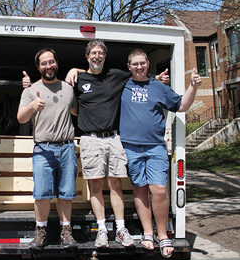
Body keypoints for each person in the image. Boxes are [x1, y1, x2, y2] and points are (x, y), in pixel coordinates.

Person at [64, 40, 169, 248]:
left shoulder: (116, 75)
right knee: (95, 185)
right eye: (93, 53)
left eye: (100, 53)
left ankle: (121, 229)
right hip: (90, 139)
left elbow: (139, 77)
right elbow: (72, 108)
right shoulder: (78, 79)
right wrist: (72, 70)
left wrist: (156, 79)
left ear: (105, 56)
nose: (97, 56)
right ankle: (101, 229)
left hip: (114, 138)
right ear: (87, 57)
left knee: (115, 184)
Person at [120, 48, 201, 258]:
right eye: (134, 64)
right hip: (130, 146)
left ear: (147, 63)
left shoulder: (159, 87)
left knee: (159, 190)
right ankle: (148, 233)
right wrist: (74, 69)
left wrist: (193, 87)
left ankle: (162, 234)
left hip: (155, 146)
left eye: (142, 63)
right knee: (140, 190)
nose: (139, 67)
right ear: (129, 66)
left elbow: (181, 105)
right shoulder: (122, 85)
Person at [17, 48, 78, 250]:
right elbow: (21, 118)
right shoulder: (29, 91)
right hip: (43, 149)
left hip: (67, 147)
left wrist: (77, 69)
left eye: (51, 62)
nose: (48, 66)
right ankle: (40, 232)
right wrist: (32, 106)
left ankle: (66, 232)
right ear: (38, 67)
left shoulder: (68, 88)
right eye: (44, 63)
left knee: (66, 193)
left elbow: (76, 110)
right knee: (42, 193)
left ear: (56, 64)